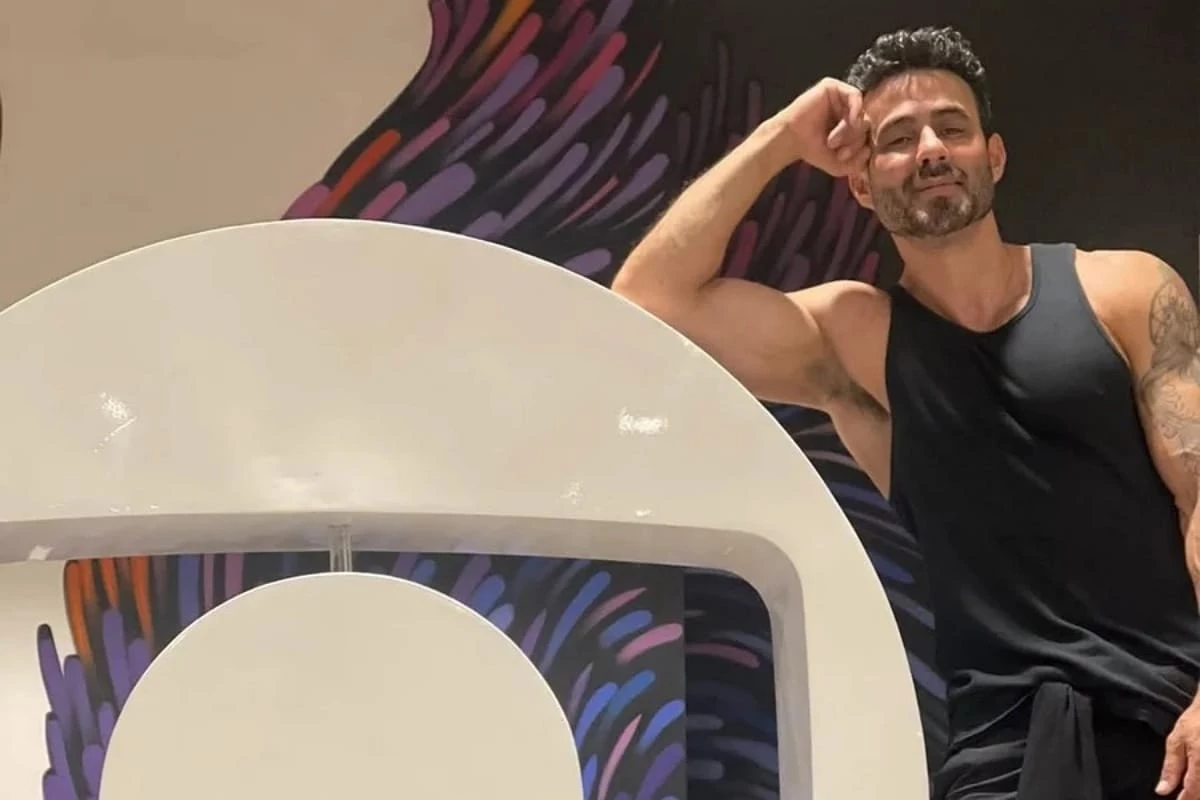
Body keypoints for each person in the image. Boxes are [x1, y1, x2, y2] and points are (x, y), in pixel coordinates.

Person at [611, 25, 1200, 800]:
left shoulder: (1124, 291)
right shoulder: (856, 341)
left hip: (1177, 726)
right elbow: (648, 302)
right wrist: (780, 138)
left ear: (993, 156)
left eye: (951, 128)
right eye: (896, 138)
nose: (929, 150)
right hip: (1004, 757)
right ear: (859, 184)